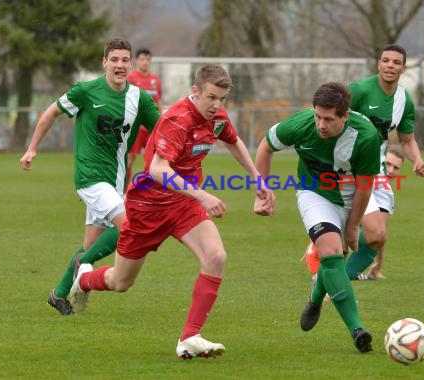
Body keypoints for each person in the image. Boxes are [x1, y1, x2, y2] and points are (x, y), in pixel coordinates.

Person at [69, 64, 275, 359]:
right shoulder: (177, 119)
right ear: (195, 92)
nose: (217, 105)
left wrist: (257, 178)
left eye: (223, 99)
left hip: (183, 205)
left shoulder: (216, 118)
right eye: (212, 97)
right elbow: (157, 169)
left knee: (216, 256)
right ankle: (85, 277)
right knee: (121, 282)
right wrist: (202, 195)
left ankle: (190, 336)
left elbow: (233, 140)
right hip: (147, 208)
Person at [19, 38, 160, 316]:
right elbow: (51, 113)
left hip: (115, 181)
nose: (120, 65)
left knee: (91, 245)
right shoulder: (86, 91)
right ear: (104, 62)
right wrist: (32, 148)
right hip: (89, 177)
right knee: (129, 226)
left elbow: (166, 129)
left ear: (130, 64)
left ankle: (58, 294)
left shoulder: (140, 98)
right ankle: (84, 272)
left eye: (124, 60)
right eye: (115, 59)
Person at [255, 82, 381, 353]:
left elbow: (364, 185)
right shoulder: (301, 124)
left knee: (372, 239)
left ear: (345, 116)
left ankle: (315, 298)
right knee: (331, 251)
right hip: (316, 195)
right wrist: (262, 192)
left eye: (329, 119)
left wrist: (353, 225)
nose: (321, 124)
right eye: (317, 116)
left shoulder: (367, 136)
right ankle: (357, 330)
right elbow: (265, 146)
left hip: (353, 197)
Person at [303, 44, 424, 281]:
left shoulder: (404, 100)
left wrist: (417, 159)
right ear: (379, 64)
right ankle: (331, 269)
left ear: (404, 68)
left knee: (377, 237)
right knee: (368, 229)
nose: (390, 65)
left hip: (375, 167)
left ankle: (339, 273)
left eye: (396, 62)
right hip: (346, 168)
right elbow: (330, 121)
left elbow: (406, 139)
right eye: (386, 61)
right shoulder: (358, 91)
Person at [304, 145, 405, 280]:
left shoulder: (385, 194)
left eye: (396, 167)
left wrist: (378, 263)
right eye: (387, 164)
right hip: (339, 217)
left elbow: (381, 234)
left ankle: (342, 276)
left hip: (354, 229)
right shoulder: (357, 177)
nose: (391, 170)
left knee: (376, 237)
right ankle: (320, 244)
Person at [127, 48, 162, 181]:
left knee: (153, 160)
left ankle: (147, 192)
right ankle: (123, 192)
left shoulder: (155, 79)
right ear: (136, 61)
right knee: (130, 158)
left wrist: (161, 119)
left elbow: (158, 101)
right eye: (142, 59)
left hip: (152, 128)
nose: (145, 62)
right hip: (136, 127)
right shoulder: (131, 78)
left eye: (148, 59)